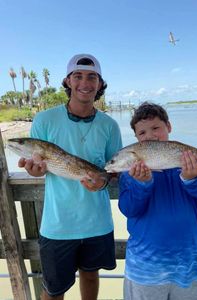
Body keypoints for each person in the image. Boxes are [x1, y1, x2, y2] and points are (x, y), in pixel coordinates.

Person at [18, 53, 122, 300]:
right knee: (53, 291)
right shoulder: (44, 120)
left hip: (98, 222)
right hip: (57, 225)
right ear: (67, 81)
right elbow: (37, 165)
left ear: (99, 83)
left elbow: (114, 172)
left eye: (92, 77)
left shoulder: (109, 125)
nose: (85, 83)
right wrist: (34, 172)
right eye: (78, 76)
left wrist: (103, 181)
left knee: (90, 276)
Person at [118, 102, 197, 300]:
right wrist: (142, 184)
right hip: (145, 270)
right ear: (136, 140)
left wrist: (194, 179)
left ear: (169, 126)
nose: (150, 136)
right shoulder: (129, 172)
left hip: (190, 267)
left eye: (156, 128)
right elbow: (128, 209)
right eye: (142, 133)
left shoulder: (190, 160)